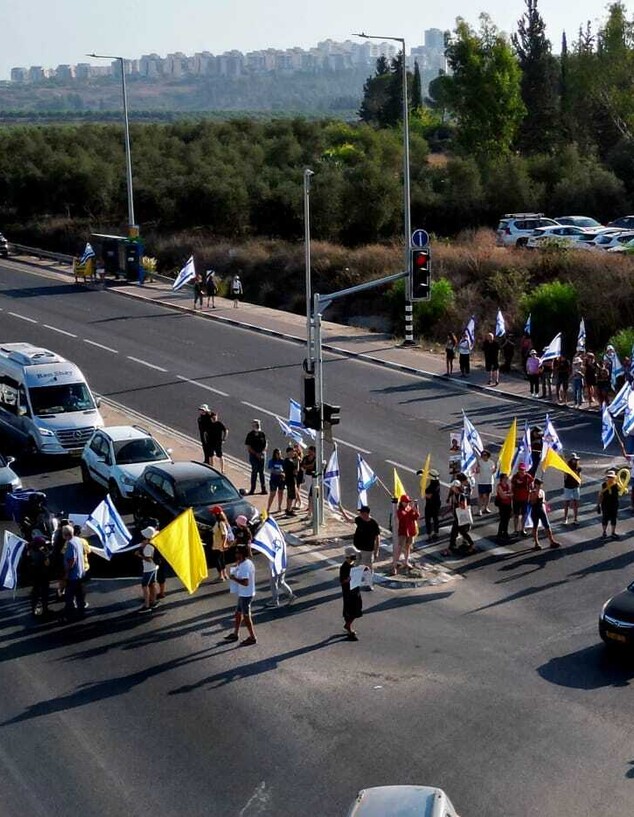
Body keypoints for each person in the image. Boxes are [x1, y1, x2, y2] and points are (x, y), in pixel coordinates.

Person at [225, 545, 257, 646]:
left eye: (237, 552)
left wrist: (234, 578)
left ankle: (252, 637)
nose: (235, 554)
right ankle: (236, 633)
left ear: (242, 554)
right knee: (238, 613)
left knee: (246, 616)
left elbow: (245, 582)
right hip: (243, 593)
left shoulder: (245, 566)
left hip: (246, 595)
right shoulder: (245, 563)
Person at [442, 480, 476, 557]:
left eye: (452, 486)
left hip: (461, 517)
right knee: (455, 532)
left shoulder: (461, 496)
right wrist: (445, 512)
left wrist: (457, 503)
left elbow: (464, 506)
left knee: (460, 532)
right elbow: (452, 506)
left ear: (456, 487)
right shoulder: (454, 495)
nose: (451, 488)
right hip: (457, 516)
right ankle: (452, 546)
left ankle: (471, 545)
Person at [350, 505, 380, 588]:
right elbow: (350, 520)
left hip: (368, 549)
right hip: (357, 547)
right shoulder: (359, 519)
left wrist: (377, 551)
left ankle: (369, 583)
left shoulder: (373, 524)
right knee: (356, 565)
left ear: (366, 513)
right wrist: (342, 511)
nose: (360, 514)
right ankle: (355, 582)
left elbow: (377, 538)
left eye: (361, 513)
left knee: (368, 566)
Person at [61, 524, 86, 620]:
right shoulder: (78, 540)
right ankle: (81, 613)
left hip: (73, 575)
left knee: (69, 596)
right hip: (80, 572)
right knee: (80, 595)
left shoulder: (70, 544)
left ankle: (70, 616)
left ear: (65, 534)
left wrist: (66, 573)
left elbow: (72, 560)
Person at [528, 478, 561, 550]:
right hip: (535, 510)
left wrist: (545, 505)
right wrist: (536, 495)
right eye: (538, 484)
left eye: (540, 484)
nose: (540, 485)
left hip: (541, 510)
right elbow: (531, 502)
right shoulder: (532, 492)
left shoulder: (542, 492)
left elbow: (543, 501)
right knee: (535, 526)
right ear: (535, 485)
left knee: (547, 525)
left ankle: (551, 541)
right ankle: (536, 543)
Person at [340, 544, 362, 641]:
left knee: (357, 609)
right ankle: (348, 627)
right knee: (351, 611)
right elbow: (342, 581)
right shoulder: (344, 567)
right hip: (348, 593)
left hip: (355, 590)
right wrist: (348, 579)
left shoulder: (353, 565)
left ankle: (348, 625)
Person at [394, 494, 419, 574]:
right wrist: (412, 510)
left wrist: (416, 511)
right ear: (402, 502)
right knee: (400, 547)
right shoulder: (400, 510)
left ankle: (406, 561)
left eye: (408, 502)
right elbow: (403, 517)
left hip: (410, 530)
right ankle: (395, 563)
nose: (407, 503)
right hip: (403, 531)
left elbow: (415, 517)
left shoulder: (409, 508)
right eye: (406, 502)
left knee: (408, 546)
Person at [136, 526, 159, 612]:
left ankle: (147, 605)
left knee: (144, 586)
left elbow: (148, 559)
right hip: (154, 567)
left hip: (148, 569)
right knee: (152, 584)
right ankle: (153, 601)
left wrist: (140, 555)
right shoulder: (152, 543)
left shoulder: (148, 547)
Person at [28, 535, 51, 617]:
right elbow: (47, 563)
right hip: (43, 576)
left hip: (34, 576)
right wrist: (47, 554)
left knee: (35, 593)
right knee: (44, 593)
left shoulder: (30, 551)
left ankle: (33, 609)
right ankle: (45, 609)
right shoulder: (42, 554)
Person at [245, 419, 267, 494]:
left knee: (262, 472)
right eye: (255, 424)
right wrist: (256, 454)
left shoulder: (262, 434)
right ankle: (252, 489)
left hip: (261, 455)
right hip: (253, 455)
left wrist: (262, 452)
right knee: (254, 471)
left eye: (257, 424)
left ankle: (263, 488)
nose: (256, 425)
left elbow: (266, 444)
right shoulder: (250, 434)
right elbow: (248, 447)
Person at [511, 463, 533, 537]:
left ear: (525, 470)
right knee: (516, 515)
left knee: (524, 515)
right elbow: (512, 486)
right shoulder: (515, 477)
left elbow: (532, 486)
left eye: (523, 470)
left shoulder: (528, 477)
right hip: (516, 499)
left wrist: (531, 491)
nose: (521, 471)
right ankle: (515, 530)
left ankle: (523, 529)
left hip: (525, 499)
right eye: (520, 469)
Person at [598, 469, 620, 539]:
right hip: (605, 504)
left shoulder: (617, 485)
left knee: (614, 518)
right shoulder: (604, 485)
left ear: (614, 477)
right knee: (605, 518)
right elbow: (601, 495)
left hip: (614, 504)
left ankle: (613, 532)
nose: (610, 478)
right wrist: (598, 504)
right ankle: (604, 532)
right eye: (609, 477)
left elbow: (622, 492)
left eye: (611, 477)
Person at [210, 506, 230, 581]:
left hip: (219, 545)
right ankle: (224, 574)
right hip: (218, 544)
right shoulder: (219, 522)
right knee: (221, 559)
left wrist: (223, 544)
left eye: (213, 513)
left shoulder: (220, 523)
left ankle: (221, 576)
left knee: (217, 560)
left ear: (216, 514)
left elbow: (224, 535)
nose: (212, 515)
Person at [563, 453, 582, 525]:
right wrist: (566, 472)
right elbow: (565, 477)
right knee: (567, 503)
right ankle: (565, 518)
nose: (576, 461)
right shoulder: (567, 467)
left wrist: (580, 482)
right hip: (568, 486)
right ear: (571, 460)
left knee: (576, 503)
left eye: (576, 460)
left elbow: (579, 476)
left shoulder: (578, 468)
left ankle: (575, 519)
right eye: (574, 459)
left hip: (575, 486)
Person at [475, 449, 496, 515]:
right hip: (481, 482)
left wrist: (495, 469)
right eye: (482, 455)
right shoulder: (479, 462)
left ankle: (486, 508)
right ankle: (479, 510)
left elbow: (493, 471)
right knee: (481, 496)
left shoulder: (491, 462)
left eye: (485, 455)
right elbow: (477, 471)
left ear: (488, 456)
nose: (484, 456)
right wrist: (477, 469)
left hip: (489, 482)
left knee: (488, 496)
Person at [423, 468, 442, 542]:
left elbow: (428, 495)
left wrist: (424, 493)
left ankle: (429, 535)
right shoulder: (437, 483)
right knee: (435, 519)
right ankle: (436, 533)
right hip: (437, 504)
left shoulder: (431, 487)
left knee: (428, 520)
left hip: (430, 505)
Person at [266, 447, 286, 513]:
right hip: (274, 479)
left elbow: (285, 470)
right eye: (278, 453)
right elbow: (272, 470)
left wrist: (283, 474)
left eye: (280, 453)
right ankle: (268, 507)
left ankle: (279, 506)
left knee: (281, 493)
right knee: (272, 494)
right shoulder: (272, 461)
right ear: (275, 454)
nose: (279, 455)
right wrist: (280, 473)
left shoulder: (282, 461)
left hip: (281, 480)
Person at [495, 473, 513, 543]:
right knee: (503, 519)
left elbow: (511, 495)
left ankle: (505, 532)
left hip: (508, 504)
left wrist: (507, 494)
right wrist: (508, 495)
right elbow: (502, 496)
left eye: (507, 478)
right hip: (502, 505)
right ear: (502, 478)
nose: (506, 479)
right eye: (505, 478)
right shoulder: (499, 486)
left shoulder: (507, 486)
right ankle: (499, 533)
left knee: (507, 519)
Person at [300, 445, 317, 519]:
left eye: (311, 452)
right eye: (309, 451)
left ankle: (312, 510)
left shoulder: (316, 459)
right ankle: (310, 509)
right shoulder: (306, 458)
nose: (309, 453)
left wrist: (307, 466)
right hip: (307, 476)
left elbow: (313, 466)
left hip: (314, 478)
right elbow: (303, 466)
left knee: (312, 494)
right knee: (309, 493)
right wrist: (309, 466)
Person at [282, 446, 299, 517]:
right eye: (292, 452)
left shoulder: (285, 460)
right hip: (291, 479)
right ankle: (289, 510)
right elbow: (296, 471)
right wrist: (297, 462)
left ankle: (288, 508)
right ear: (288, 452)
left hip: (288, 479)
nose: (293, 453)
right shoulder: (290, 462)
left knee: (290, 495)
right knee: (291, 496)